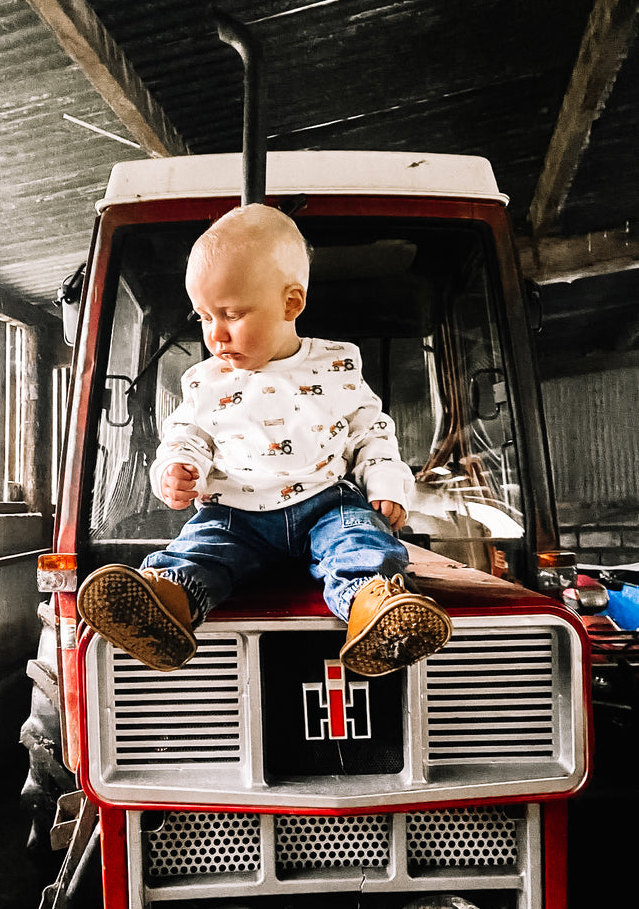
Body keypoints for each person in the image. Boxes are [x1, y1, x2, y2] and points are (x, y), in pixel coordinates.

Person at [77, 204, 452, 676]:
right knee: (202, 548)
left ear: (291, 303)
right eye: (204, 317)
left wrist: (385, 487)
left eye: (231, 314)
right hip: (236, 515)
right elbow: (185, 435)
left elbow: (372, 434)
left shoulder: (337, 367)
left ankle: (374, 611)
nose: (215, 334)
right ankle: (166, 604)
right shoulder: (204, 382)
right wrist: (176, 469)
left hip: (324, 503)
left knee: (360, 538)